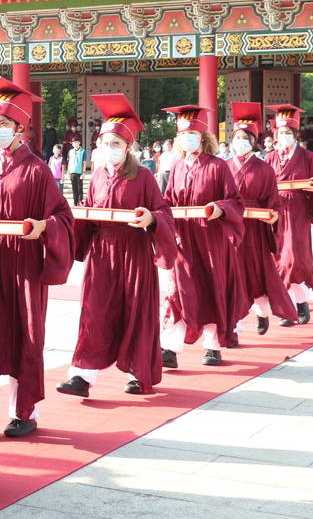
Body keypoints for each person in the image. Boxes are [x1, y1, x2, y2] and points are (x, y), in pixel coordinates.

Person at [0, 77, 74, 439]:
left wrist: (44, 227)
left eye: (4, 124)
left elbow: (63, 218)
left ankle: (24, 412)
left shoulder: (37, 171)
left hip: (22, 265)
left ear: (20, 129)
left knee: (23, 334)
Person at [56, 95, 177, 398]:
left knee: (136, 312)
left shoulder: (144, 177)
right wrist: (75, 219)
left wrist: (151, 218)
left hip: (133, 252)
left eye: (116, 144)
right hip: (102, 254)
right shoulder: (96, 175)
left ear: (128, 148)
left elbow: (163, 212)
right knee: (94, 313)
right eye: (105, 143)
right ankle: (83, 376)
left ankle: (138, 373)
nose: (110, 149)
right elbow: (86, 210)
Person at [159, 105, 249, 368]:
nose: (188, 138)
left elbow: (235, 200)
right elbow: (167, 201)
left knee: (211, 290)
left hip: (210, 239)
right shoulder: (175, 167)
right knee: (177, 291)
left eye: (193, 133)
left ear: (203, 137)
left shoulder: (218, 167)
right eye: (184, 134)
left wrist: (220, 208)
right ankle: (170, 348)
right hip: (183, 239)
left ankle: (212, 347)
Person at [225, 103, 299, 336]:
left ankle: (262, 312)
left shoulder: (264, 169)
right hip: (230, 229)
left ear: (254, 141)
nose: (240, 142)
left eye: (245, 138)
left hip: (255, 230)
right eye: (236, 137)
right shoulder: (224, 166)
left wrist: (272, 215)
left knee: (255, 275)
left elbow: (273, 202)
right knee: (231, 276)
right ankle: (233, 327)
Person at [265, 105, 313, 327]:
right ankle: (293, 305)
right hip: (276, 212)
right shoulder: (270, 158)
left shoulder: (308, 156)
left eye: (288, 133)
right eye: (281, 133)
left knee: (295, 258)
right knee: (279, 259)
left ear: (296, 134)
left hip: (298, 210)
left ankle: (298, 303)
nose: (285, 137)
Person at [67, 136, 87, 204]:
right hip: (72, 172)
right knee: (74, 189)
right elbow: (69, 162)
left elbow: (84, 163)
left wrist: (84, 172)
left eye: (76, 142)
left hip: (79, 172)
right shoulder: (70, 151)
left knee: (80, 189)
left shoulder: (83, 151)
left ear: (79, 142)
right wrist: (68, 172)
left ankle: (80, 202)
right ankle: (75, 203)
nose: (74, 144)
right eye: (73, 142)